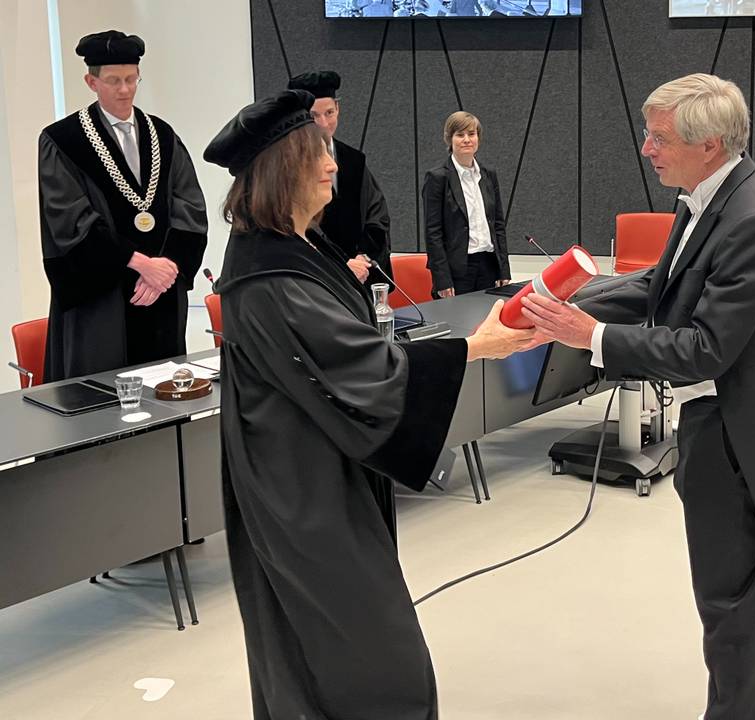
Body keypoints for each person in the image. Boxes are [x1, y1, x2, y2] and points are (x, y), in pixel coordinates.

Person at [204, 89, 533, 720]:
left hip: (315, 465)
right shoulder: (268, 275)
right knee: (370, 651)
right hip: (300, 485)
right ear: (281, 173)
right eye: (317, 155)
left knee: (328, 640)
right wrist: (473, 347)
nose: (332, 165)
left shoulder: (298, 246)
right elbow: (356, 364)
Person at [521, 73, 755, 720]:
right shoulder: (706, 197)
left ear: (708, 143)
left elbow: (705, 347)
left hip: (734, 434)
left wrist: (591, 336)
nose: (646, 148)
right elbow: (662, 286)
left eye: (657, 138)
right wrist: (566, 305)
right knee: (753, 590)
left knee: (726, 601)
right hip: (726, 425)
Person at [38, 30, 207, 381]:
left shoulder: (162, 135)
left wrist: (165, 271)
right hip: (102, 301)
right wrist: (141, 263)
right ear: (91, 81)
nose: (125, 89)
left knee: (165, 394)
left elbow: (189, 206)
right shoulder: (63, 141)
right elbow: (70, 220)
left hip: (160, 293)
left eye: (131, 79)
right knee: (103, 401)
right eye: (113, 81)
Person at [287, 69, 393, 287]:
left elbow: (377, 214)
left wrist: (364, 257)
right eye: (314, 116)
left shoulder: (354, 159)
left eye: (329, 113)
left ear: (338, 109)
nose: (324, 124)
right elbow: (299, 225)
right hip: (319, 278)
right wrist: (342, 263)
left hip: (361, 274)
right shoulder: (289, 167)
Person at [420, 111, 511, 297]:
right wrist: (442, 280)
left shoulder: (488, 174)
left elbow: (498, 225)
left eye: (472, 134)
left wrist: (503, 269)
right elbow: (433, 234)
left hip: (488, 264)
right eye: (460, 135)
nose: (467, 140)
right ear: (449, 139)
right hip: (457, 270)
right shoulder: (438, 177)